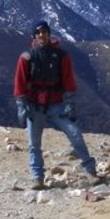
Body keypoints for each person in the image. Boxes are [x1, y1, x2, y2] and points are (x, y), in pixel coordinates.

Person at [14, 20, 99, 189]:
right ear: (34, 36)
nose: (41, 35)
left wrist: (70, 104)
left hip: (57, 104)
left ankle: (91, 172)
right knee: (34, 144)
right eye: (38, 33)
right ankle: (38, 178)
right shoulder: (26, 58)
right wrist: (21, 105)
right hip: (34, 105)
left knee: (75, 134)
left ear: (49, 33)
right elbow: (20, 83)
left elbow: (68, 81)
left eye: (44, 32)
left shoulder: (61, 56)